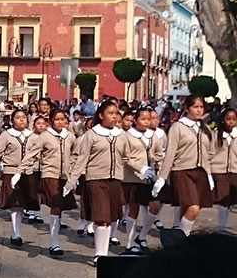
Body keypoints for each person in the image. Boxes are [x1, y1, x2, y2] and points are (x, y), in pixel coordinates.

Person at [64, 101, 143, 266]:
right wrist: (71, 182)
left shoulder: (121, 135)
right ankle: (99, 254)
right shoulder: (91, 135)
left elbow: (127, 158)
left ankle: (104, 252)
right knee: (101, 216)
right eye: (110, 113)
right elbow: (82, 160)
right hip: (96, 180)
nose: (114, 117)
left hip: (115, 180)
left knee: (110, 218)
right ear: (101, 115)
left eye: (116, 113)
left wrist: (142, 170)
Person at [15, 109, 78, 256]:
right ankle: (54, 243)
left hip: (65, 177)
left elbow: (76, 153)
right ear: (51, 121)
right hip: (50, 175)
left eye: (63, 119)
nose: (60, 122)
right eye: (57, 119)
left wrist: (73, 168)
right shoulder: (44, 136)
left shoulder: (70, 136)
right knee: (55, 206)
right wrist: (19, 171)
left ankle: (55, 237)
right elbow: (31, 154)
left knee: (61, 207)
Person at [152, 96, 214, 236]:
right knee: (193, 208)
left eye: (201, 107)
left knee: (186, 208)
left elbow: (209, 153)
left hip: (200, 173)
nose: (199, 110)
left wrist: (209, 174)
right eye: (195, 107)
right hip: (182, 172)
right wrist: (162, 177)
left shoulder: (205, 128)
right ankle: (182, 238)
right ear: (187, 108)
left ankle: (178, 235)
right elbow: (170, 154)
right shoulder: (177, 127)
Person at [0, 109, 35, 246]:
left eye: (23, 117)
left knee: (24, 204)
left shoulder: (33, 136)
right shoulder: (6, 135)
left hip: (28, 172)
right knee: (15, 204)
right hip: (11, 171)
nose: (21, 120)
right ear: (12, 120)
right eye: (18, 117)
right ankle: (16, 233)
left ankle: (18, 229)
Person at [120, 107, 160, 255]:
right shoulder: (127, 136)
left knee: (156, 204)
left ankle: (142, 235)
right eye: (143, 119)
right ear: (135, 120)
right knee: (133, 208)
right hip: (132, 177)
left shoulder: (153, 135)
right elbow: (125, 157)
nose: (146, 122)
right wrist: (140, 168)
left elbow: (158, 153)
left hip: (150, 177)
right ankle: (130, 243)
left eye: (149, 119)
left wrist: (159, 170)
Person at [211, 108, 237, 231]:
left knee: (231, 200)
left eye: (233, 119)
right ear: (222, 120)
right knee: (223, 200)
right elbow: (210, 153)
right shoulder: (215, 134)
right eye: (228, 119)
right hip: (219, 171)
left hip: (235, 171)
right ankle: (221, 227)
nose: (231, 122)